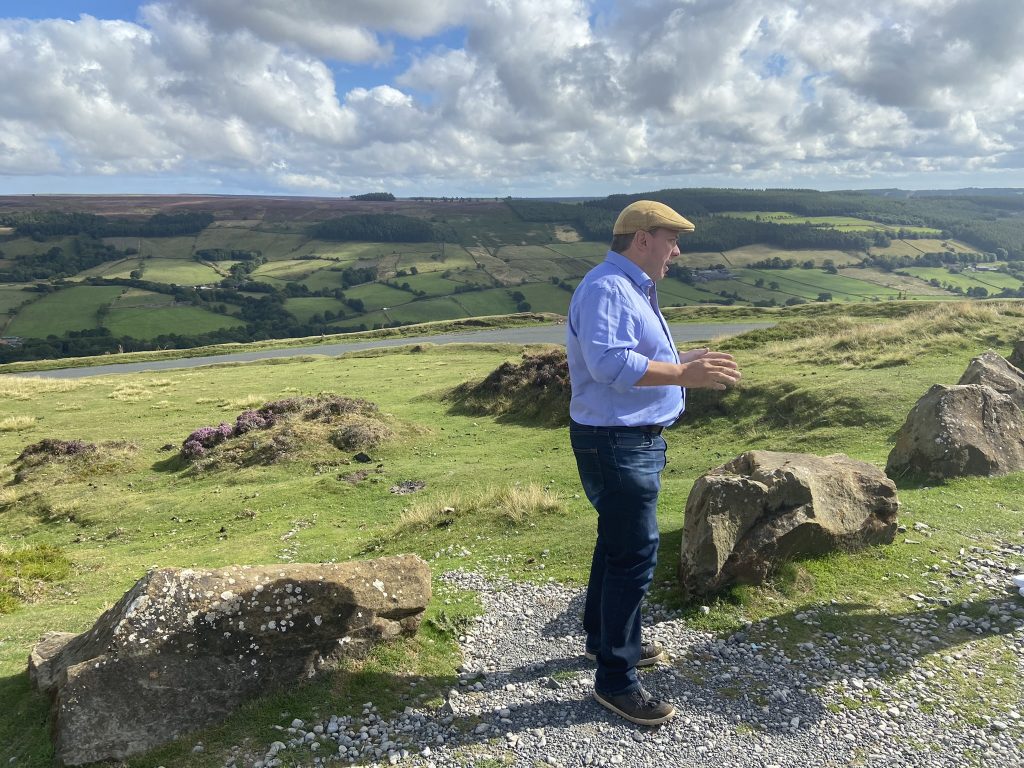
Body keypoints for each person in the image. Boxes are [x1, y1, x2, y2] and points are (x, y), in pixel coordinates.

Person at [567, 200, 741, 726]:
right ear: (642, 239)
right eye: (671, 239)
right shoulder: (608, 288)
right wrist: (683, 377)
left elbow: (631, 353)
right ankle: (615, 680)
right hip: (618, 442)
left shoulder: (629, 286)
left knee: (617, 543)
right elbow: (609, 363)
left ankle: (605, 638)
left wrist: (685, 361)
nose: (677, 251)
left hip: (626, 440)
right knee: (635, 554)